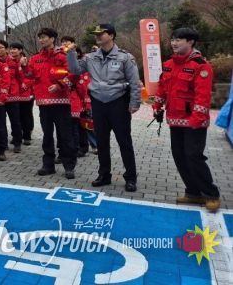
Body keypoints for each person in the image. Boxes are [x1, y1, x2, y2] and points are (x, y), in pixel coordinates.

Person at [152, 28, 221, 212]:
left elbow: (202, 96)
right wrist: (157, 106)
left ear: (190, 42)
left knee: (194, 157)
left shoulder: (201, 66)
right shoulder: (168, 64)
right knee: (180, 157)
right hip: (175, 120)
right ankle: (193, 193)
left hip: (194, 122)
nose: (174, 43)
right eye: (173, 39)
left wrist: (196, 120)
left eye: (179, 40)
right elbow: (162, 88)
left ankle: (211, 195)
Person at [66, 23, 141, 191]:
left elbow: (134, 82)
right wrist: (70, 53)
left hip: (118, 103)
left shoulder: (125, 57)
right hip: (98, 103)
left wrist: (134, 102)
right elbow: (75, 70)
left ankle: (130, 177)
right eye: (96, 34)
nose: (98, 36)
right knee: (101, 142)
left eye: (102, 33)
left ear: (112, 35)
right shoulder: (91, 57)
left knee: (124, 141)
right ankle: (104, 174)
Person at [26, 28, 77, 179]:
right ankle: (48, 165)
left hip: (61, 103)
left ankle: (69, 166)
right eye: (40, 37)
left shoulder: (63, 56)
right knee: (47, 136)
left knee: (65, 135)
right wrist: (23, 66)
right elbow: (30, 76)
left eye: (44, 37)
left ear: (53, 39)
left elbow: (73, 74)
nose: (41, 40)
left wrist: (60, 85)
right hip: (43, 104)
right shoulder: (35, 58)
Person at [0, 40, 24, 154]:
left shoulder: (13, 62)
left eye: (1, 47)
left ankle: (17, 143)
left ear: (6, 49)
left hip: (12, 96)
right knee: (0, 123)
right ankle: (3, 144)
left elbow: (20, 77)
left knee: (15, 121)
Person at [9, 42, 34, 146]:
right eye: (11, 49)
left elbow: (31, 75)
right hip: (15, 93)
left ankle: (27, 136)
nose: (12, 51)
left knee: (26, 115)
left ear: (20, 50)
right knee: (16, 117)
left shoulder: (26, 61)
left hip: (26, 92)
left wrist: (25, 84)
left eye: (15, 49)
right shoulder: (9, 61)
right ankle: (16, 135)